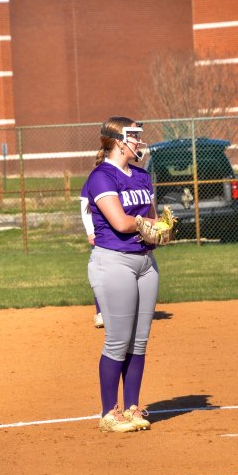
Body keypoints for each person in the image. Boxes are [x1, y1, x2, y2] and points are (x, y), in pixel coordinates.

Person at [81, 116, 159, 433]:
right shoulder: (101, 176)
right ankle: (108, 413)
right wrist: (148, 227)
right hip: (114, 261)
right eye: (134, 136)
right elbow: (121, 223)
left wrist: (158, 230)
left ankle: (132, 408)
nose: (139, 142)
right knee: (117, 341)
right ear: (117, 140)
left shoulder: (141, 175)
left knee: (138, 343)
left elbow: (153, 218)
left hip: (145, 262)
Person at [79, 187, 104, 328]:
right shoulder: (95, 179)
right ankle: (101, 312)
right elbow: (85, 207)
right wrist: (90, 232)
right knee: (99, 274)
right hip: (100, 234)